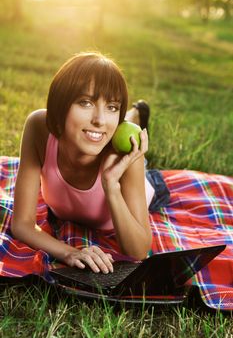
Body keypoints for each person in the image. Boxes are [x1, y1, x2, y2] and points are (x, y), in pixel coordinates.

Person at [10, 52, 169, 275]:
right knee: (99, 130)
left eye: (113, 107)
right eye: (85, 102)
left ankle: (133, 117)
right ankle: (133, 115)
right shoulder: (38, 126)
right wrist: (69, 252)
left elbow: (138, 252)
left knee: (145, 168)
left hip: (140, 181)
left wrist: (111, 185)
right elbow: (21, 224)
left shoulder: (124, 155)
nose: (100, 119)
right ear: (59, 105)